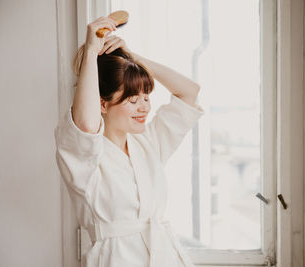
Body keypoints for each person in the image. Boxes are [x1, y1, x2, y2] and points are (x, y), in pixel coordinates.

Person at [54, 16, 204, 267]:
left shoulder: (148, 142)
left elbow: (189, 92)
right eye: (133, 100)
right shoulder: (83, 155)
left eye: (146, 97)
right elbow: (87, 125)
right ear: (103, 103)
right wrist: (91, 51)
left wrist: (133, 58)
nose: (144, 107)